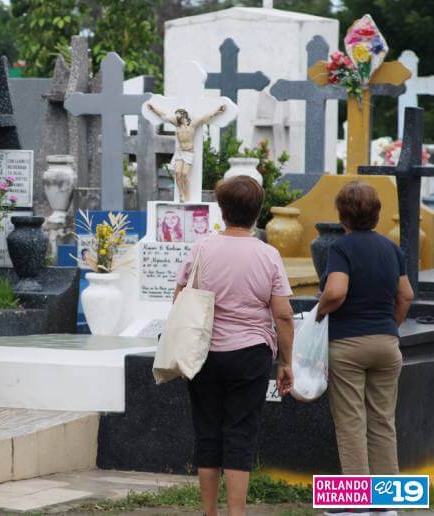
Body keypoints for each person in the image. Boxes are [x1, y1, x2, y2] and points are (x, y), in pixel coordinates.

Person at [174, 176, 294, 516]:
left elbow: (180, 297)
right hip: (251, 354)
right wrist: (286, 361)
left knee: (207, 431)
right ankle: (236, 512)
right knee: (240, 433)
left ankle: (209, 511)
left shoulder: (202, 248)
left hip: (204, 353)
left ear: (222, 210)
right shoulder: (268, 255)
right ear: (257, 213)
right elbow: (283, 315)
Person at [316, 182, 413, 488]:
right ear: (377, 213)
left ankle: (358, 502)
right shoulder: (392, 248)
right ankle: (385, 503)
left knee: (351, 423)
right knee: (383, 421)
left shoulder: (341, 248)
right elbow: (406, 295)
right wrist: (390, 327)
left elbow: (335, 292)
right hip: (386, 344)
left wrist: (319, 313)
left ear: (342, 215)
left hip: (347, 345)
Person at [147, 104, 227, 202]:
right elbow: (163, 115)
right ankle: (181, 194)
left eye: (178, 115)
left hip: (189, 152)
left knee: (184, 174)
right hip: (180, 152)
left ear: (184, 115)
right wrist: (153, 108)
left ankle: (187, 194)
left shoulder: (192, 125)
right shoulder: (176, 124)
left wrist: (218, 110)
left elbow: (206, 117)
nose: (176, 117)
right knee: (177, 173)